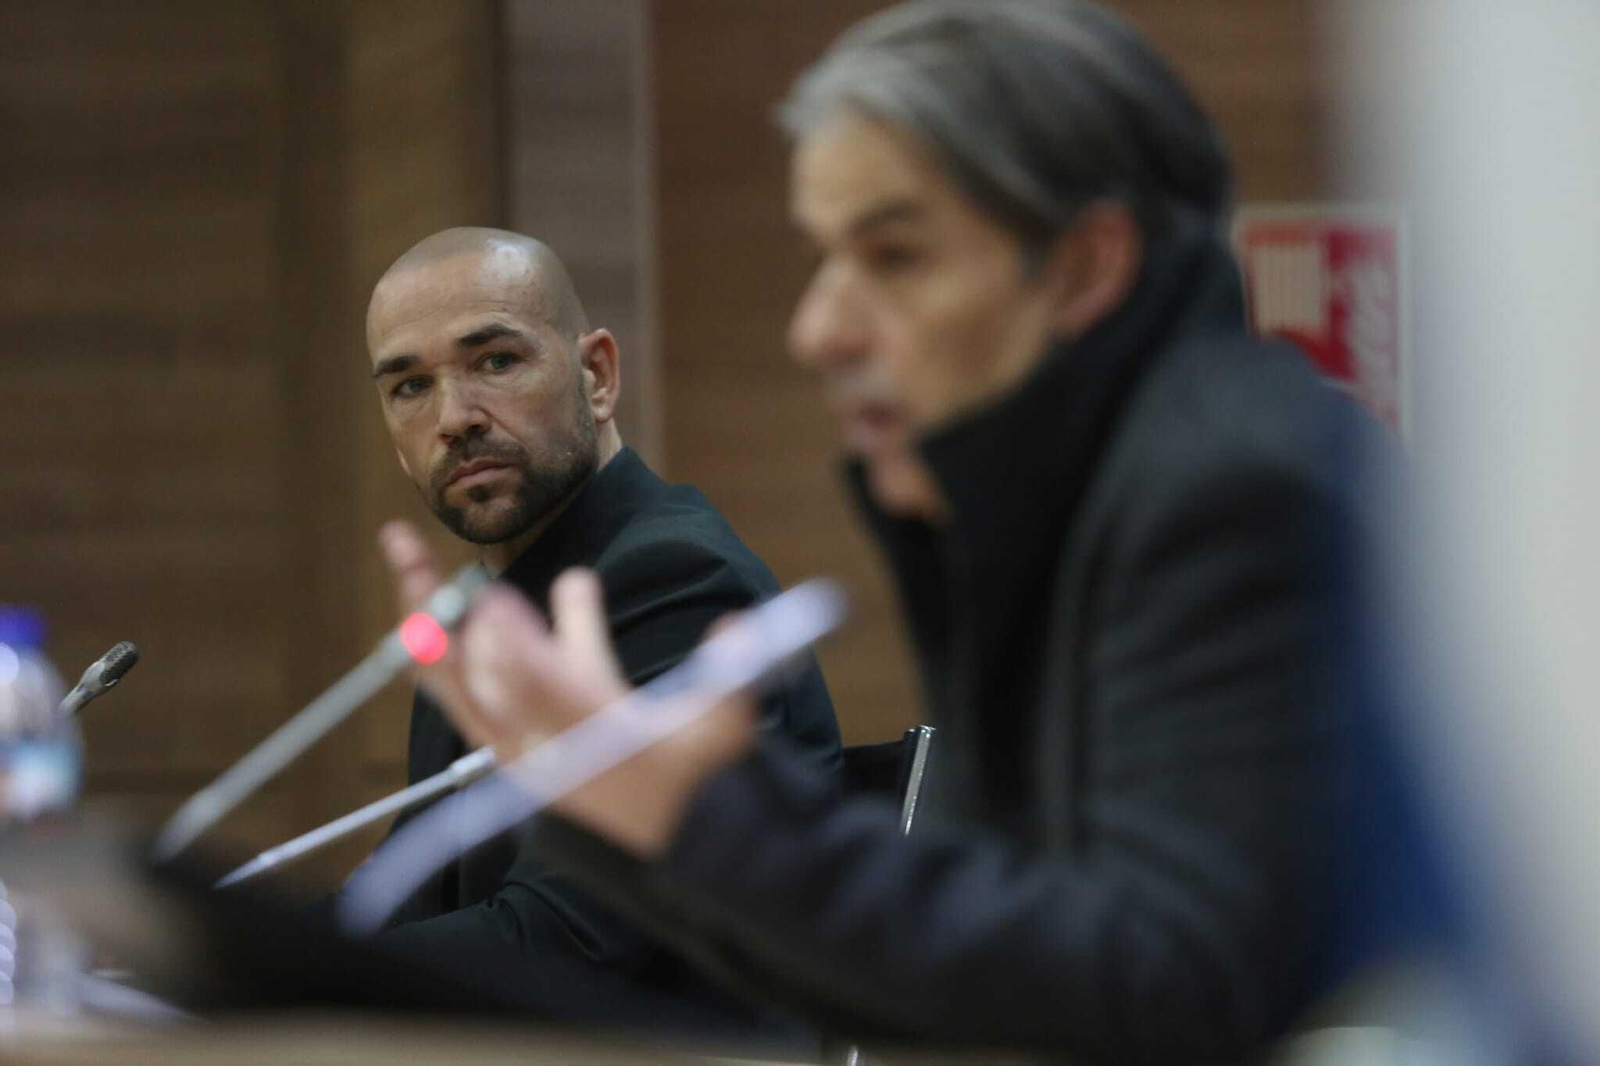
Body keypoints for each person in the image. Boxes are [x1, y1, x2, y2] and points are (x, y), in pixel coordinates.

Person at [376, 4, 1389, 1062]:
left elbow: (1162, 987)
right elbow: (969, 967)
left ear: (1083, 268)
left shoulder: (1221, 494)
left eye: (894, 256)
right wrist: (664, 821)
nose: (817, 327)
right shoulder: (1059, 506)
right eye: (823, 258)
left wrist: (707, 825)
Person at [362, 227, 841, 1044]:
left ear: (597, 376)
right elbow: (407, 894)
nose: (454, 418)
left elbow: (565, 945)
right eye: (409, 386)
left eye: (496, 362)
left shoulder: (675, 579)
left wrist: (279, 982)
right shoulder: (486, 607)